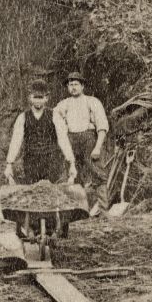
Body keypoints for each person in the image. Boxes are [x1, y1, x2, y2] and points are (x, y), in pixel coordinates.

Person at [54, 71, 111, 213]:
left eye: (76, 84)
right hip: (71, 140)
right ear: (67, 87)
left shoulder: (92, 101)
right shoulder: (63, 105)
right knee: (73, 175)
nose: (73, 87)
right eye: (70, 84)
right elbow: (56, 124)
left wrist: (97, 147)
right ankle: (78, 210)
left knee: (98, 173)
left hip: (89, 139)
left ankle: (103, 210)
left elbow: (102, 126)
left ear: (82, 86)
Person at [4, 79, 77, 186]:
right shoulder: (23, 117)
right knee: (34, 194)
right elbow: (16, 141)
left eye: (41, 97)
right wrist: (9, 164)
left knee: (51, 192)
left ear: (46, 98)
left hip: (51, 161)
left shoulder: (54, 116)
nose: (38, 101)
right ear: (30, 98)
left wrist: (71, 162)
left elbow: (63, 140)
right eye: (35, 97)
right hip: (31, 161)